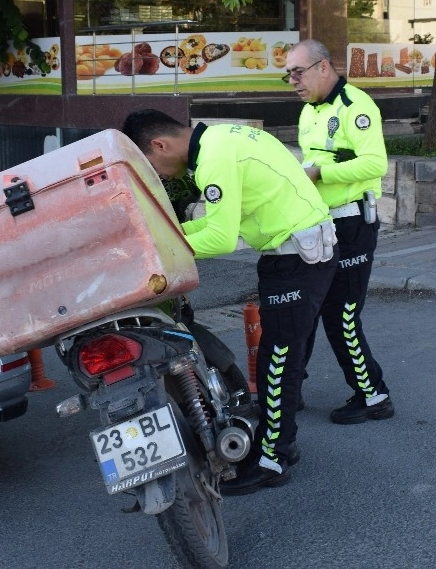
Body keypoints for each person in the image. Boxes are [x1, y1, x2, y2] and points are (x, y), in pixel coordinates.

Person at [121, 109, 338, 496]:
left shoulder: (214, 159)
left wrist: (159, 253)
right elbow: (223, 223)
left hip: (296, 260)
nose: (160, 175)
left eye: (152, 165)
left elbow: (221, 238)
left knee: (277, 362)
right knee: (279, 359)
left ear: (159, 144)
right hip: (297, 255)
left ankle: (274, 459)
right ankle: (280, 443)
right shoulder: (224, 139)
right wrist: (165, 235)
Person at [284, 39, 394, 425]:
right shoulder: (308, 112)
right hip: (320, 222)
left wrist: (320, 173)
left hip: (352, 224)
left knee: (341, 314)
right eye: (288, 74)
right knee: (305, 311)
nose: (292, 80)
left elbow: (376, 163)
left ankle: (373, 395)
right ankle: (289, 394)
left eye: (298, 71)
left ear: (324, 67)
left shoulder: (357, 106)